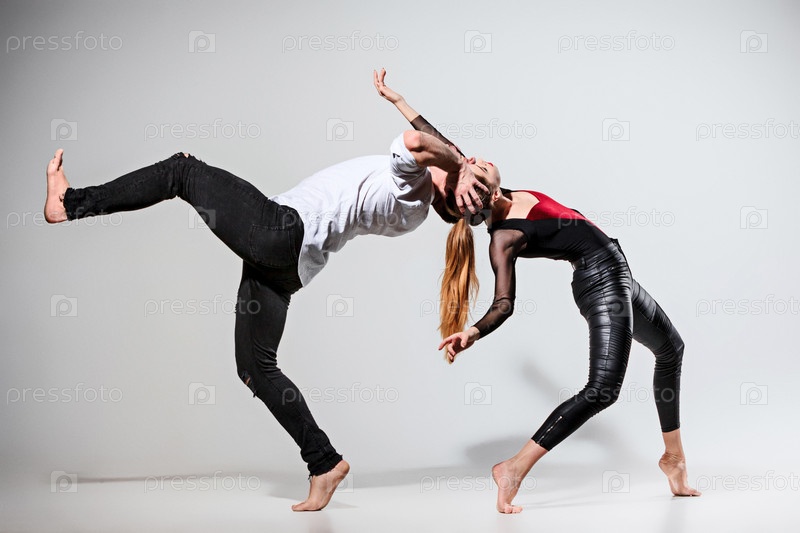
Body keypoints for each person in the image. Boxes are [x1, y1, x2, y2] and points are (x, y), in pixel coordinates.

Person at [42, 82, 488, 510]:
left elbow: (419, 142)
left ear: (457, 188)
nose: (472, 159)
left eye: (478, 169)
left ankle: (70, 204)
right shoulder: (421, 202)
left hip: (281, 230)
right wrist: (401, 102)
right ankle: (324, 462)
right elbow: (439, 142)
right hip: (292, 264)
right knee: (255, 367)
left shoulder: (413, 187)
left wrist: (458, 163)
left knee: (182, 170)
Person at [376, 69, 702, 514]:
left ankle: (673, 458)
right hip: (600, 281)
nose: (474, 160)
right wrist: (472, 332)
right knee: (602, 389)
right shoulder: (503, 237)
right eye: (473, 169)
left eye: (471, 163)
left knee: (671, 349)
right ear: (479, 195)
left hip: (618, 275)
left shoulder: (483, 182)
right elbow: (504, 303)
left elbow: (437, 139)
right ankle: (513, 468)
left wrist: (397, 100)